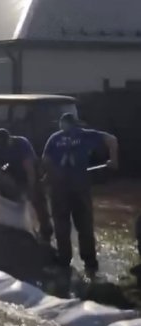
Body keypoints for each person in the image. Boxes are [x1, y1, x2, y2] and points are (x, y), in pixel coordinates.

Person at [42, 113, 118, 272]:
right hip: (79, 187)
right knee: (84, 226)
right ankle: (90, 264)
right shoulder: (86, 135)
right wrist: (113, 160)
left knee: (62, 226)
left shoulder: (55, 138)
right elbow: (112, 140)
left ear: (63, 124)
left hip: (60, 189)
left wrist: (51, 176)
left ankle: (64, 261)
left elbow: (46, 160)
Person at [0, 129, 54, 242]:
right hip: (13, 172)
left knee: (37, 199)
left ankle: (46, 229)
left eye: (3, 142)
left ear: (10, 139)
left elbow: (29, 168)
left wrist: (31, 188)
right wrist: (3, 176)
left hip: (30, 172)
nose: (1, 145)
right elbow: (0, 166)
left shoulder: (21, 144)